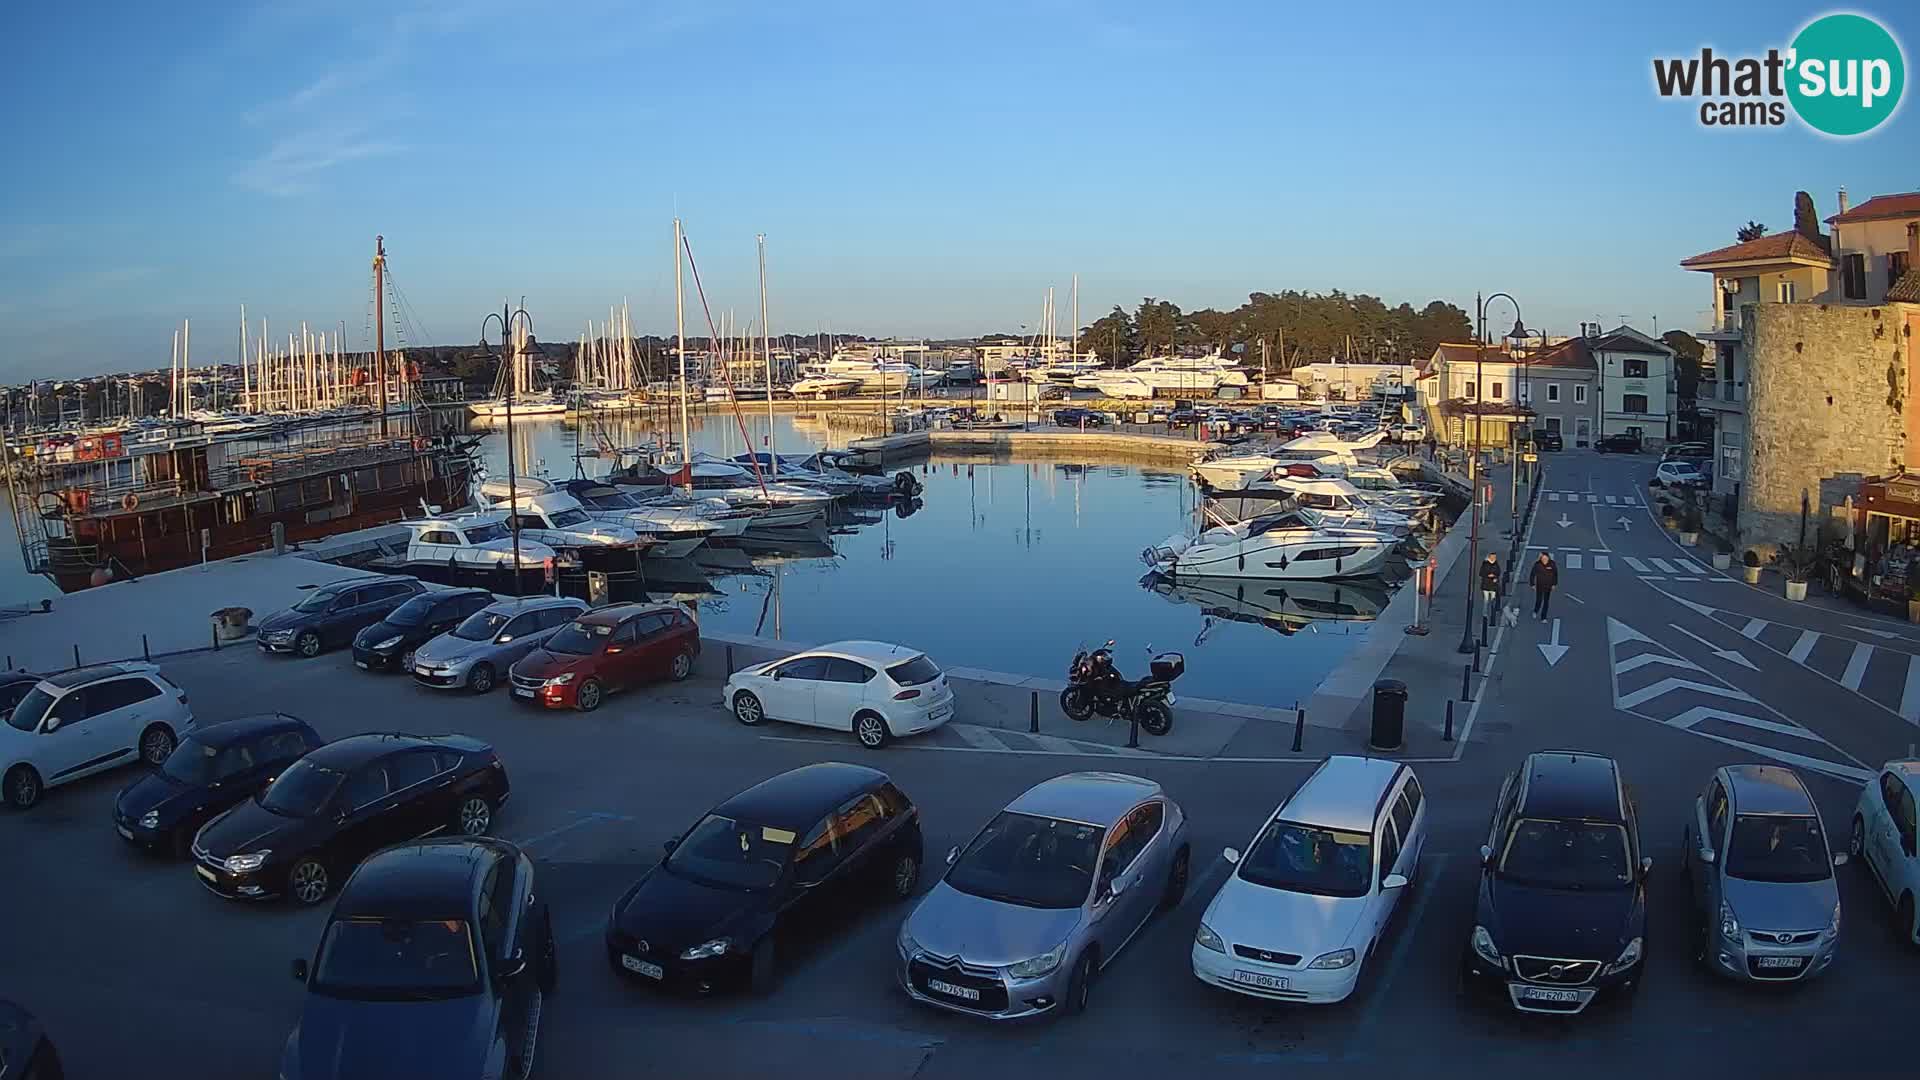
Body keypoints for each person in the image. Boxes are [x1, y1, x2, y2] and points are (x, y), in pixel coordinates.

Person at [1530, 551, 1559, 619]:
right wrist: (1532, 584)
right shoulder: (1537, 564)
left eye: (1546, 559)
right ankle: (1535, 611)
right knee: (1539, 600)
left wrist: (1554, 584)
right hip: (1540, 586)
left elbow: (1555, 574)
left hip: (1548, 586)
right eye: (1543, 559)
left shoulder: (1552, 564)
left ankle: (1543, 617)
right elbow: (1532, 574)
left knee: (1546, 601)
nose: (1544, 560)